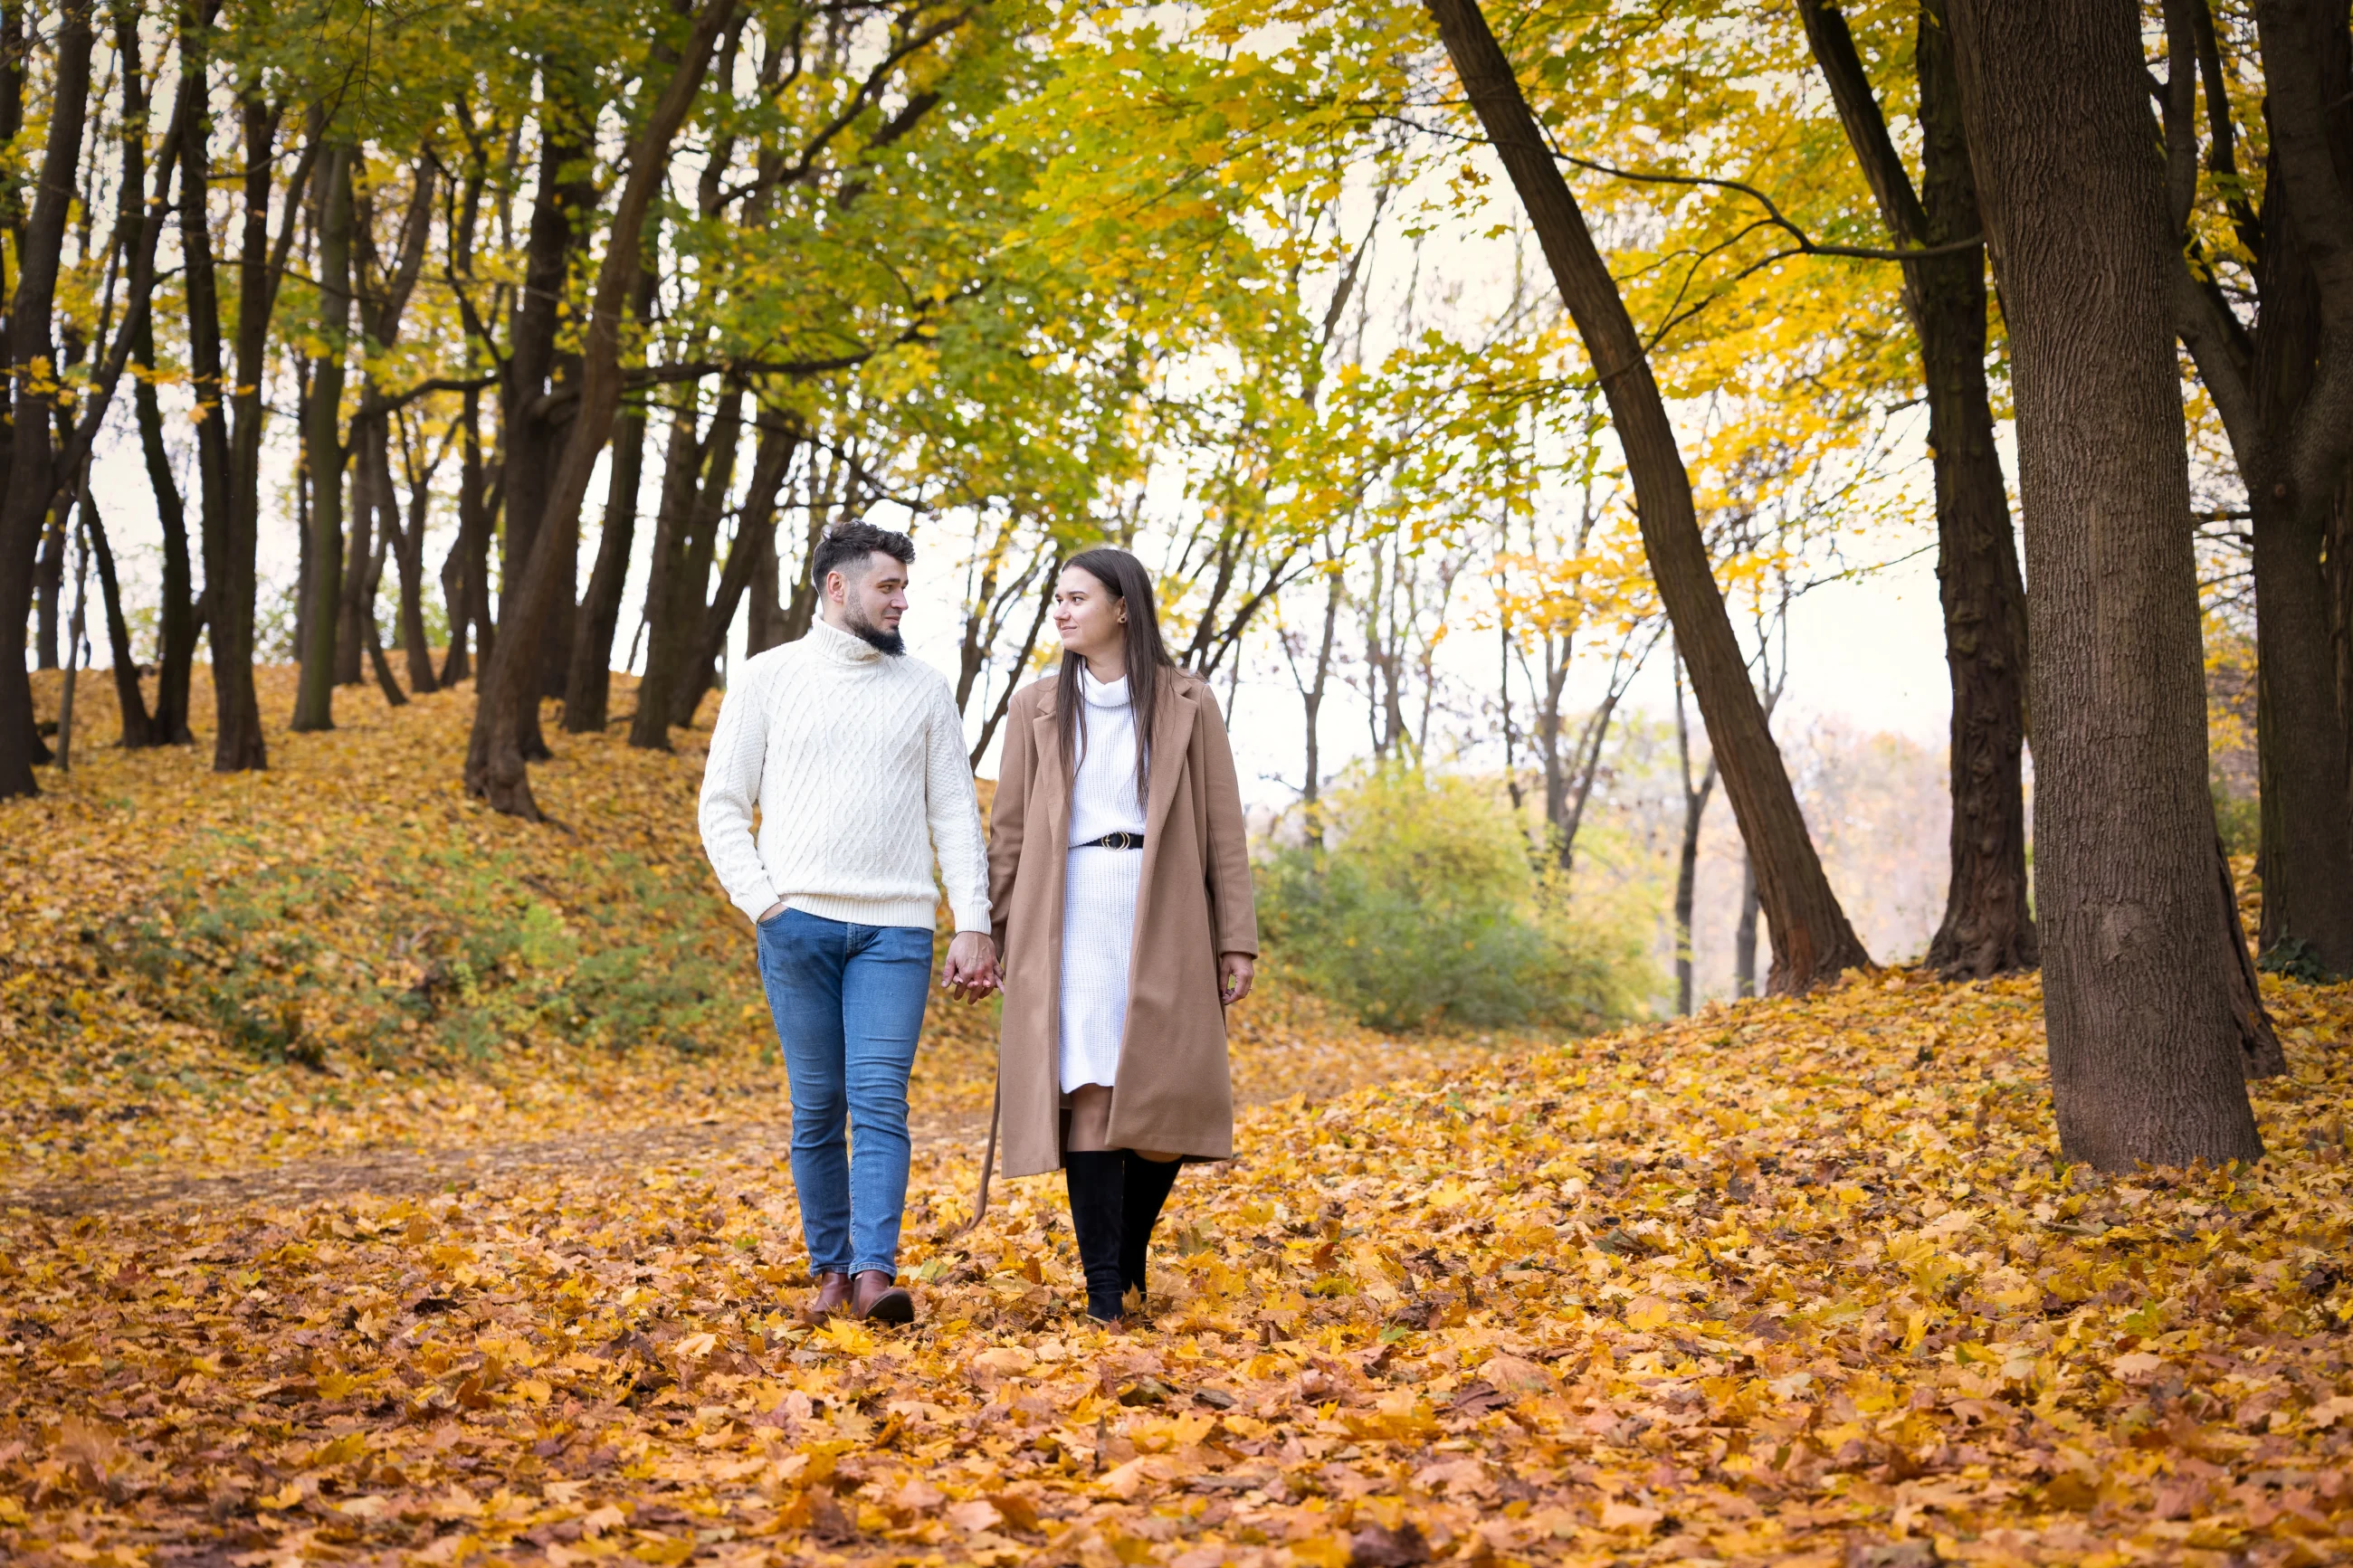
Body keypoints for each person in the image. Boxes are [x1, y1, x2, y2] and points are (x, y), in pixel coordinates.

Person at [699, 520, 999, 1326]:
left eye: (904, 587)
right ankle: (829, 1267)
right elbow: (721, 805)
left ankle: (874, 1272)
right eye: (888, 586)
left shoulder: (926, 688)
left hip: (895, 931)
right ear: (838, 587)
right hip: (795, 925)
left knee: (879, 1100)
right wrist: (765, 904)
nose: (902, 600)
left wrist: (973, 919)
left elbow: (954, 814)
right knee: (816, 1104)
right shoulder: (767, 678)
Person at [986, 546, 1259, 1322]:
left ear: (1122, 609)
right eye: (1058, 599)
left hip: (1163, 905)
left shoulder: (1188, 700)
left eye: (1077, 598)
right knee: (1093, 1097)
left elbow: (1224, 829)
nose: (1062, 611)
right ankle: (1105, 1290)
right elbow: (1008, 830)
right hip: (1066, 912)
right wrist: (995, 929)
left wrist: (1234, 935)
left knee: (1163, 1106)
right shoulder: (1035, 705)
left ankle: (1128, 1253)